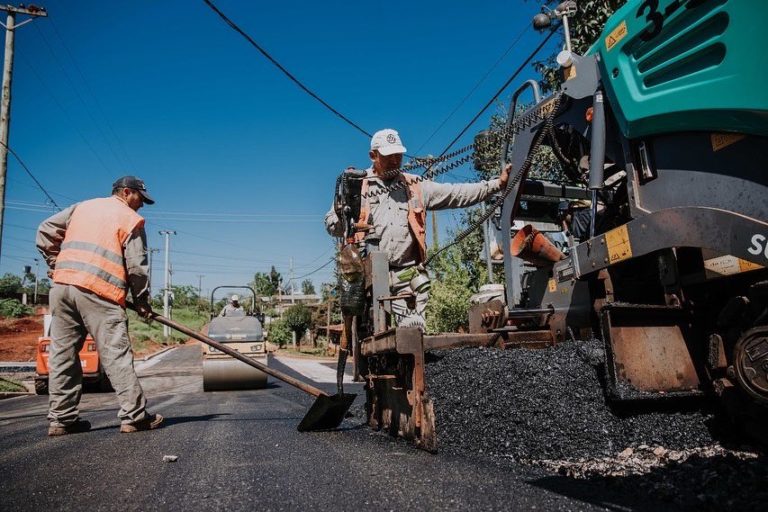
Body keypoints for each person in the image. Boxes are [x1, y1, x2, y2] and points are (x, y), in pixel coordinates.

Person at [325, 128, 510, 329]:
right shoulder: (357, 186)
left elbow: (456, 193)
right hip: (368, 275)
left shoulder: (414, 185)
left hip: (406, 273)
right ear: (373, 156)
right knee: (369, 332)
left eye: (398, 155)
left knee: (412, 331)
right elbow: (331, 223)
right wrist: (346, 219)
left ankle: (410, 358)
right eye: (389, 156)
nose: (395, 160)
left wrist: (497, 185)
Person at [36, 176, 163, 436]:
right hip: (99, 292)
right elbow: (137, 268)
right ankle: (134, 416)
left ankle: (62, 419)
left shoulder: (82, 207)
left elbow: (45, 230)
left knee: (62, 354)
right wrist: (141, 302)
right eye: (140, 199)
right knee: (115, 354)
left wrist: (54, 263)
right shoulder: (130, 219)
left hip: (62, 287)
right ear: (127, 193)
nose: (142, 205)